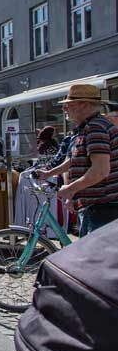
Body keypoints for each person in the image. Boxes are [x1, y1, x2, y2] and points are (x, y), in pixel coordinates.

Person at [36, 85, 118, 237]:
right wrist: (49, 173)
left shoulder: (95, 128)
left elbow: (100, 170)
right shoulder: (87, 127)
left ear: (85, 105)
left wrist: (71, 189)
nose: (64, 108)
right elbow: (74, 159)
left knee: (96, 258)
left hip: (104, 207)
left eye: (69, 104)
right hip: (96, 206)